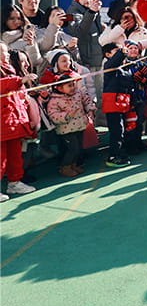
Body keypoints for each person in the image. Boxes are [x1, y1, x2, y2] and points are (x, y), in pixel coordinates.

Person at [0, 42, 38, 199]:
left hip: (13, 121)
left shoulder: (9, 70)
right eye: (3, 52)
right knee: (1, 157)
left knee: (15, 155)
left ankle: (14, 182)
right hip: (3, 123)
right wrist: (19, 81)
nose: (7, 55)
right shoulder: (11, 76)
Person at [67, 0, 106, 116]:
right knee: (89, 94)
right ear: (77, 0)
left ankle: (101, 121)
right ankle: (92, 123)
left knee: (100, 91)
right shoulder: (72, 13)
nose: (87, 1)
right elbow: (79, 31)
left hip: (98, 57)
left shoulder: (93, 11)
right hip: (85, 60)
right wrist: (91, 12)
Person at [46, 71, 94, 177]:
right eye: (69, 85)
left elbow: (86, 100)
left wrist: (90, 109)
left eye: (73, 84)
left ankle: (73, 165)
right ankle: (65, 167)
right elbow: (53, 115)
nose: (73, 87)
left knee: (79, 148)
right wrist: (66, 115)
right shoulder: (54, 100)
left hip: (79, 126)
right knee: (72, 149)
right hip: (66, 129)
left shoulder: (77, 94)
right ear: (59, 88)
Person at [100, 42, 134, 167]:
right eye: (116, 51)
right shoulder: (108, 65)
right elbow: (113, 63)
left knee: (123, 129)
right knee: (116, 131)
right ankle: (113, 156)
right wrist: (121, 53)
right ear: (108, 54)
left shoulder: (124, 67)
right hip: (112, 103)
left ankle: (121, 152)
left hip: (122, 102)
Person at [123, 40, 147, 155]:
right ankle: (130, 145)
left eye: (135, 48)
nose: (133, 50)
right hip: (128, 98)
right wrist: (131, 77)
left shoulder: (143, 64)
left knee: (139, 121)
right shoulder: (123, 63)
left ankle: (138, 142)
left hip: (140, 96)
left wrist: (145, 79)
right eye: (131, 48)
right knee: (130, 122)